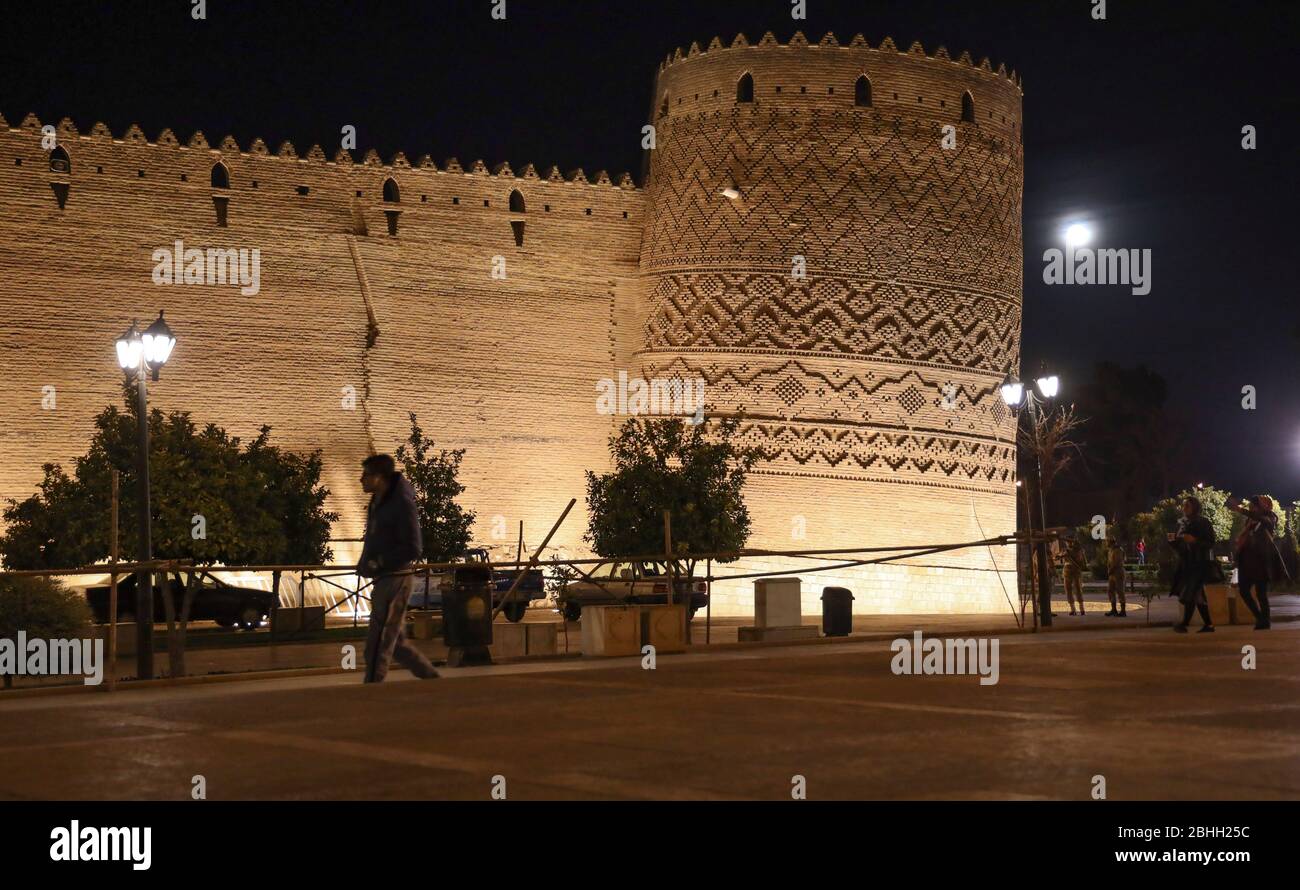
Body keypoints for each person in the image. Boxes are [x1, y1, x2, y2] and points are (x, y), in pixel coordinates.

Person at [358, 454, 440, 683]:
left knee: (380, 639)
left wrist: (380, 562)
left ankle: (372, 686)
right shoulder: (378, 500)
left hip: (397, 577)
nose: (361, 479)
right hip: (385, 576)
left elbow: (414, 547)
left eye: (366, 475)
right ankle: (432, 678)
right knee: (397, 643)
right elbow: (374, 538)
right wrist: (364, 563)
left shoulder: (401, 503)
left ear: (379, 477)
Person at [1230, 495, 1283, 630]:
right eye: (1251, 506)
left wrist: (1242, 510)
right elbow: (1245, 535)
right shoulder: (1250, 519)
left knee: (1261, 593)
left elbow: (1265, 522)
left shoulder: (1270, 518)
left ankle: (1265, 621)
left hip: (1261, 561)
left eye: (1255, 505)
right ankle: (1260, 617)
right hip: (1247, 560)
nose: (1251, 508)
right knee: (1243, 591)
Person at [1168, 496, 1216, 633]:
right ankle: (1208, 624)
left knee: (1191, 592)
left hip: (1199, 563)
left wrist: (1194, 541)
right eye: (1184, 506)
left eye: (1187, 506)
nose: (1184, 509)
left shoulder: (1203, 523)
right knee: (1196, 594)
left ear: (1195, 507)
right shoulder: (1183, 524)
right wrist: (1173, 542)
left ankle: (1185, 624)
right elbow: (1181, 545)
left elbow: (1210, 543)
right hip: (1187, 563)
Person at [1062, 539, 1086, 616]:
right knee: (1078, 589)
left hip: (1069, 571)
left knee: (1069, 590)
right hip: (1076, 571)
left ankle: (1074, 610)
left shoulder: (1068, 551)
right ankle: (1081, 609)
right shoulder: (1080, 550)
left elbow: (1059, 557)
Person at [1106, 538, 1127, 617]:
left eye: (1107, 542)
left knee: (1120, 591)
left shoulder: (1118, 550)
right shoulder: (1111, 550)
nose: (1106, 543)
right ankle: (1113, 609)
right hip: (1112, 573)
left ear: (1111, 542)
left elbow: (1117, 562)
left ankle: (1123, 611)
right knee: (1110, 591)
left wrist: (1111, 569)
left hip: (1118, 572)